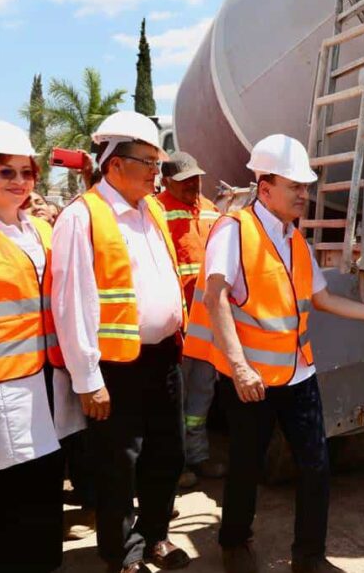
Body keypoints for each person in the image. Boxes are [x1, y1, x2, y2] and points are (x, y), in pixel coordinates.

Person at [183, 134, 364, 573]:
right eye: (295, 186)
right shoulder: (234, 230)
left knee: (316, 465)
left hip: (298, 374)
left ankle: (309, 557)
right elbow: (215, 298)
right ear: (265, 187)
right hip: (252, 381)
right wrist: (240, 369)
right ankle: (234, 542)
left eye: (306, 186)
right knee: (246, 466)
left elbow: (321, 298)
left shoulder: (294, 239)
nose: (305, 194)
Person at [51, 111, 191, 573]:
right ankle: (122, 551)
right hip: (115, 367)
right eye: (149, 161)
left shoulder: (149, 210)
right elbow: (70, 302)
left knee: (166, 454)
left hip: (163, 358)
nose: (158, 172)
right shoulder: (81, 217)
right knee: (118, 463)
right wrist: (88, 378)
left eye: (158, 162)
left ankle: (155, 537)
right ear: (114, 163)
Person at [0, 121, 84, 572]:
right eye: (5, 173)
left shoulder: (41, 231)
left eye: (26, 173)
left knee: (41, 488)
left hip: (45, 386)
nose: (19, 182)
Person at [157, 152, 227, 488]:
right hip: (177, 326)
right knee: (173, 399)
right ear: (167, 181)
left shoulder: (212, 210)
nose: (193, 186)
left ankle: (197, 456)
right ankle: (174, 464)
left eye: (197, 178)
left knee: (202, 394)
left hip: (207, 322)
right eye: (185, 181)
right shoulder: (155, 211)